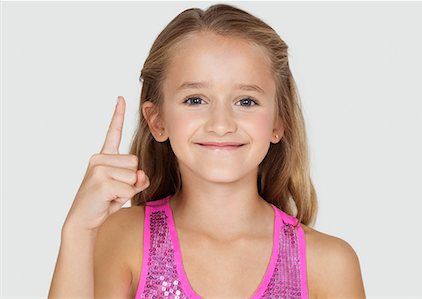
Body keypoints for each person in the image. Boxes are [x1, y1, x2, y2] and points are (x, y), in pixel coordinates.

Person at [48, 3, 365, 299]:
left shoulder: (328, 264)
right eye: (195, 100)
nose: (221, 124)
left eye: (246, 101)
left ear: (278, 123)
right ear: (157, 121)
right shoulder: (121, 240)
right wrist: (77, 230)